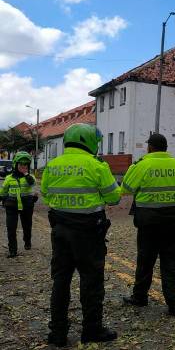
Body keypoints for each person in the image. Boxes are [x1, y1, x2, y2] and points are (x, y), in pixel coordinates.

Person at [41, 123, 121, 347]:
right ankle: (92, 330)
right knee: (91, 282)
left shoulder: (53, 165)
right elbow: (114, 198)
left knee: (60, 281)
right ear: (88, 141)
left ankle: (58, 333)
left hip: (60, 230)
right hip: (88, 233)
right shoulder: (96, 166)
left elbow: (46, 194)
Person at [121, 133, 175, 316]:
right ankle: (174, 305)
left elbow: (125, 190)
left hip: (148, 224)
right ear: (165, 147)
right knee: (171, 264)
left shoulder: (142, 165)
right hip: (172, 223)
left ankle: (140, 297)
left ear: (150, 148)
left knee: (145, 262)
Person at [0, 151, 37, 257]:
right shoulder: (9, 178)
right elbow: (3, 192)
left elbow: (32, 183)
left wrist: (25, 174)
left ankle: (27, 241)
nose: (23, 166)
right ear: (15, 165)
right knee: (11, 228)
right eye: (21, 164)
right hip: (12, 205)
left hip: (27, 205)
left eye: (26, 164)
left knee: (27, 225)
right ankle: (12, 250)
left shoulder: (30, 177)